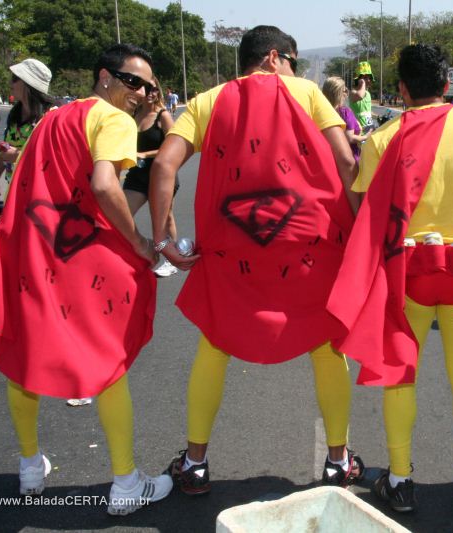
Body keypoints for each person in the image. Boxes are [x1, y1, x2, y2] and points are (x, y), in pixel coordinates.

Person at [149, 25, 363, 496]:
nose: (293, 69)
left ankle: (195, 463)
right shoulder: (308, 92)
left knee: (215, 344)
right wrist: (360, 231)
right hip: (310, 247)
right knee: (328, 346)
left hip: (233, 249)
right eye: (291, 59)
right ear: (273, 58)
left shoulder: (207, 101)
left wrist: (165, 235)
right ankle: (337, 461)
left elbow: (164, 164)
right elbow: (346, 161)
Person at [327, 44, 453, 513]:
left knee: (400, 376)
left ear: (401, 88)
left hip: (406, 273)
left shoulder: (383, 138)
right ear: (446, 84)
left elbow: (368, 209)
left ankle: (400, 480)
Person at [0, 43, 172, 515]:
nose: (142, 94)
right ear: (104, 76)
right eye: (133, 82)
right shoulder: (113, 121)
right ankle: (126, 483)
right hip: (83, 260)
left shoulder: (53, 119)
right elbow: (107, 185)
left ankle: (29, 467)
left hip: (34, 253)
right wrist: (141, 244)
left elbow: (28, 180)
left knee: (24, 357)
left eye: (148, 87)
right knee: (108, 364)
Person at [123, 76, 178, 278]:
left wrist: (145, 155)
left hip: (160, 174)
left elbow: (174, 147)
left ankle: (171, 259)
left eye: (154, 89)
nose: (151, 93)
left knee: (165, 218)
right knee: (122, 213)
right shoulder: (133, 114)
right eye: (146, 89)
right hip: (136, 174)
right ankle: (136, 249)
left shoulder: (162, 115)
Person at [0, 59, 54, 200]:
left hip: (41, 196)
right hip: (14, 190)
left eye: (15, 79)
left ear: (29, 84)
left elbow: (54, 159)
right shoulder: (15, 113)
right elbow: (5, 150)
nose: (10, 84)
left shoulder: (51, 116)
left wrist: (18, 156)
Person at [322, 76, 367, 162]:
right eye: (344, 90)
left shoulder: (321, 111)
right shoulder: (345, 112)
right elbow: (349, 138)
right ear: (338, 93)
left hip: (329, 159)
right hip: (350, 159)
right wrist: (366, 136)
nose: (347, 93)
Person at [349, 61, 375, 130]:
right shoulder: (353, 92)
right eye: (365, 78)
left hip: (369, 129)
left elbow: (367, 112)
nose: (369, 80)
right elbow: (360, 96)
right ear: (359, 79)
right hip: (358, 131)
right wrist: (363, 83)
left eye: (369, 78)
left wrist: (378, 117)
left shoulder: (368, 94)